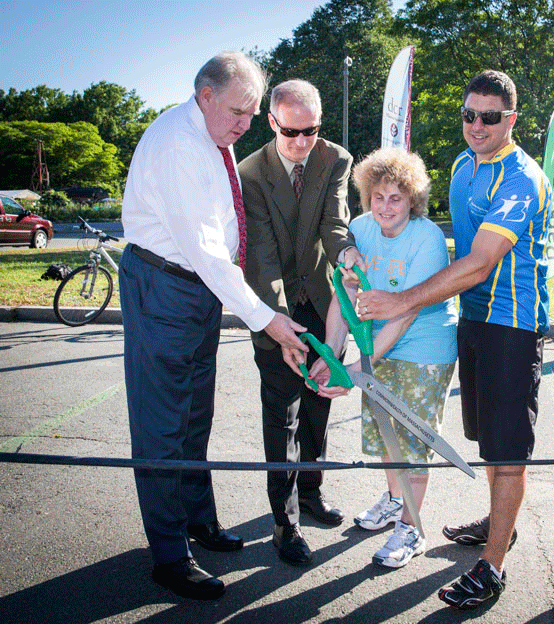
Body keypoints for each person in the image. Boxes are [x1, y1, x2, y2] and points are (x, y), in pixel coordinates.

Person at [356, 70, 551, 609]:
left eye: (491, 117)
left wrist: (404, 300)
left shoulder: (521, 177)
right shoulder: (464, 165)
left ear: (511, 119)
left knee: (508, 448)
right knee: (487, 437)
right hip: (472, 320)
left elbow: (483, 259)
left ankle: (492, 566)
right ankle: (498, 522)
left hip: (513, 325)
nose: (477, 126)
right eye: (470, 115)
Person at [120, 51, 310, 600]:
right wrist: (266, 319)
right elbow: (206, 253)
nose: (247, 125)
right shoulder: (181, 145)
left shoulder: (209, 135)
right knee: (162, 422)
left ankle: (198, 520)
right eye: (238, 112)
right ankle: (170, 555)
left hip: (193, 289)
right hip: (166, 286)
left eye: (253, 114)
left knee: (193, 412)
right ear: (205, 96)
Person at [309, 147, 458, 569]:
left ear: (413, 199)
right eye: (378, 196)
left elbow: (407, 311)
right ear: (366, 196)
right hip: (379, 346)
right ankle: (395, 502)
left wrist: (359, 366)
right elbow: (345, 294)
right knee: (386, 438)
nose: (386, 206)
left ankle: (412, 529)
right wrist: (335, 355)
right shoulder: (358, 230)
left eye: (396, 197)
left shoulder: (426, 238)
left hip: (423, 349)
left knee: (413, 444)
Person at [238, 79, 365, 567]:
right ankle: (284, 523)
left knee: (319, 405)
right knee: (283, 416)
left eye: (310, 130)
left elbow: (334, 222)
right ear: (272, 122)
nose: (301, 142)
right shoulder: (249, 173)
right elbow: (262, 259)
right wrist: (276, 324)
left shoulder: (335, 158)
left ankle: (311, 492)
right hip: (273, 308)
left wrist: (349, 253)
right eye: (291, 132)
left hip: (321, 299)